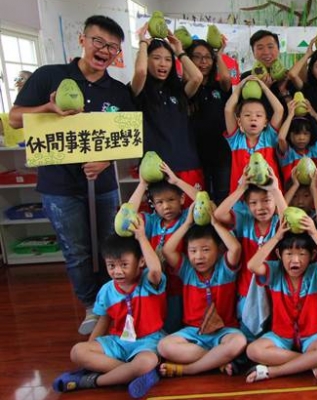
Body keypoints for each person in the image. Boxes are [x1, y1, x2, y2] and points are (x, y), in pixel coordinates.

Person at [9, 15, 135, 335]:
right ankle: (92, 306)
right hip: (59, 186)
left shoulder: (118, 91)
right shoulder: (49, 77)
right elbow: (14, 119)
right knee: (76, 250)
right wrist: (47, 110)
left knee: (110, 245)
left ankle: (115, 301)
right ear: (83, 40)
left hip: (103, 184)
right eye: (98, 42)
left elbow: (128, 138)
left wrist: (107, 159)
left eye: (112, 47)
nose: (104, 50)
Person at [52, 225, 166, 399]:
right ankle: (132, 373)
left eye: (124, 265)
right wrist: (89, 352)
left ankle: (93, 381)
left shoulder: (148, 282)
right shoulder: (106, 290)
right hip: (118, 343)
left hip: (147, 342)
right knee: (77, 351)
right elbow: (103, 321)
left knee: (145, 362)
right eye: (111, 265)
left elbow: (156, 270)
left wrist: (142, 237)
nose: (117, 271)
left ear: (141, 262)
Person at [245, 217, 317, 383]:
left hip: (314, 334)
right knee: (253, 350)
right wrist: (276, 238)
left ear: (312, 256)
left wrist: (313, 232)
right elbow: (252, 266)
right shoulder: (275, 270)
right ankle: (309, 362)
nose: (295, 260)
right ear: (279, 255)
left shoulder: (315, 272)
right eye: (289, 254)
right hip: (281, 335)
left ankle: (272, 372)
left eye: (302, 254)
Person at [157, 203, 247, 377]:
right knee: (164, 346)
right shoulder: (187, 271)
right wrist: (187, 224)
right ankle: (218, 360)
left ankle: (189, 369)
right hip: (193, 333)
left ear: (219, 250)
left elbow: (235, 248)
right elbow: (167, 250)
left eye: (206, 250)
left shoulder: (225, 271)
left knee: (239, 341)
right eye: (193, 251)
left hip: (224, 331)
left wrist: (215, 224)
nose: (199, 256)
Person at [214, 168, 286, 340]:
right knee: (248, 336)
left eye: (266, 201)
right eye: (253, 203)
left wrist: (275, 190)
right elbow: (219, 214)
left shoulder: (278, 223)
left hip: (275, 291)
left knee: (274, 336)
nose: (260, 207)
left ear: (275, 201)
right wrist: (240, 189)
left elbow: (289, 220)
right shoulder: (245, 221)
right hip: (246, 292)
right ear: (246, 205)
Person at [132, 25, 204, 194]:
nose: (163, 64)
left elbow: (197, 77)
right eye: (156, 58)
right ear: (146, 58)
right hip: (156, 169)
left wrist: (179, 52)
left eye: (168, 59)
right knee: (164, 218)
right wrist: (142, 42)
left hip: (187, 163)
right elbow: (141, 72)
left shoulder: (177, 90)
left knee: (194, 215)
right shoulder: (138, 90)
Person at [127, 162, 199, 333]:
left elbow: (204, 201)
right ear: (152, 204)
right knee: (156, 325)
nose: (166, 206)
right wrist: (142, 184)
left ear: (181, 199)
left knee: (176, 325)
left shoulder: (185, 218)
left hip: (180, 286)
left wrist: (177, 182)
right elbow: (127, 215)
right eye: (159, 202)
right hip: (153, 286)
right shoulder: (150, 221)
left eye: (171, 200)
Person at [187, 39, 233, 203]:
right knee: (201, 200)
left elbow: (227, 78)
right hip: (196, 154)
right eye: (198, 57)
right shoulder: (188, 87)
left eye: (207, 57)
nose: (203, 61)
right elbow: (195, 78)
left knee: (223, 197)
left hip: (221, 153)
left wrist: (218, 55)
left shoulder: (218, 87)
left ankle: (221, 229)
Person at [224, 75, 285, 193]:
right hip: (241, 203)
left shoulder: (269, 138)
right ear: (239, 121)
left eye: (259, 115)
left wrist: (263, 87)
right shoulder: (236, 140)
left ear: (265, 122)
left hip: (269, 200)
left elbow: (279, 110)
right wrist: (241, 85)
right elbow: (228, 109)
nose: (253, 118)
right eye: (247, 115)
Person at [277, 99, 317, 186]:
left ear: (311, 135)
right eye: (296, 133)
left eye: (305, 134)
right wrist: (290, 115)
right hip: (293, 198)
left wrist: (314, 114)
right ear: (289, 135)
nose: (301, 138)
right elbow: (281, 138)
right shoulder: (288, 153)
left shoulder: (316, 151)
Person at [241, 30, 294, 117]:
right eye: (260, 48)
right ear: (253, 53)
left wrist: (284, 91)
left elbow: (294, 113)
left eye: (270, 47)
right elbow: (244, 112)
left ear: (278, 49)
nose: (266, 52)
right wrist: (263, 90)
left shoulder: (287, 77)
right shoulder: (247, 78)